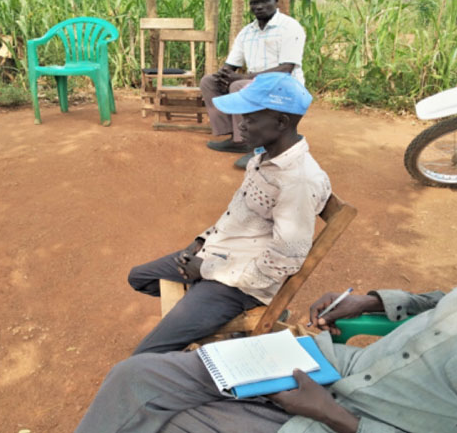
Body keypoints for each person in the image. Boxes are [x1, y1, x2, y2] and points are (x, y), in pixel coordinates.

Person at [75, 126, 457, 432]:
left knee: (167, 424)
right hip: (345, 365)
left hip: (360, 419)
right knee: (136, 379)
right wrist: (381, 299)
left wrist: (331, 415)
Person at [127, 72, 331, 356]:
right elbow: (236, 214)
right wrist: (201, 242)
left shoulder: (298, 180)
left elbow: (284, 261)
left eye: (249, 119)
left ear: (281, 122)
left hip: (240, 285)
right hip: (218, 256)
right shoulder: (264, 158)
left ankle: (207, 317)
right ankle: (200, 305)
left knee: (144, 357)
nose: (241, 126)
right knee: (140, 277)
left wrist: (207, 272)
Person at [201, 0, 306, 170]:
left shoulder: (289, 27)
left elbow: (286, 68)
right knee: (209, 82)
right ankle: (236, 139)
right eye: (254, 3)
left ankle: (254, 146)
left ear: (275, 1)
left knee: (239, 86)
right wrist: (223, 74)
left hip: (286, 85)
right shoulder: (247, 32)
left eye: (264, 1)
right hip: (255, 82)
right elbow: (232, 63)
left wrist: (243, 78)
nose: (258, 6)